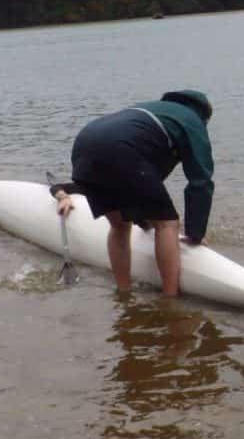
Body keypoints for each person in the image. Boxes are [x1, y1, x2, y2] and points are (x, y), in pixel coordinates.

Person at [49, 90, 214, 298]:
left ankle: (123, 291)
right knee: (167, 224)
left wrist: (141, 217)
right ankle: (170, 298)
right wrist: (195, 233)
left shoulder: (149, 109)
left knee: (119, 225)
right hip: (122, 150)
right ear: (204, 115)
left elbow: (141, 179)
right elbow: (201, 181)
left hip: (85, 145)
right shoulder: (192, 121)